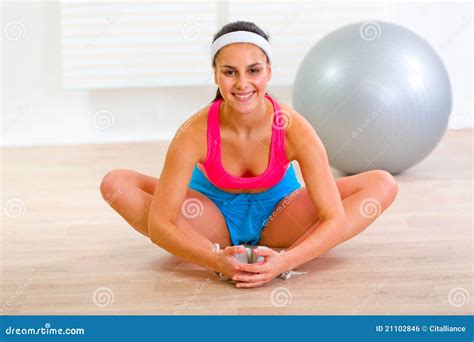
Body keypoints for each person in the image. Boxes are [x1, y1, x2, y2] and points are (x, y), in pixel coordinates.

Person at [100, 21, 399, 288]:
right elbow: (160, 224)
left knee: (382, 184)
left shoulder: (294, 128)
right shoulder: (193, 132)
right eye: (230, 72)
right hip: (210, 221)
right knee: (115, 183)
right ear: (216, 75)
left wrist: (287, 262)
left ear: (268, 71)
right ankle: (226, 257)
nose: (242, 84)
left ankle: (278, 256)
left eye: (253, 70)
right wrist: (214, 261)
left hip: (280, 217)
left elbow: (333, 218)